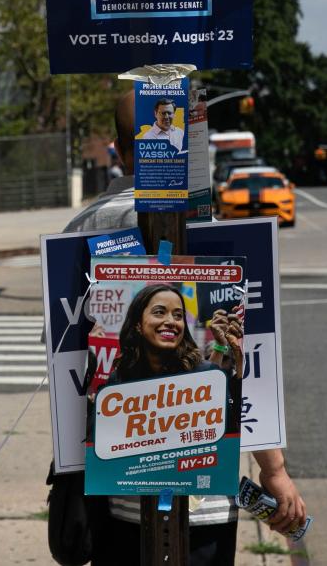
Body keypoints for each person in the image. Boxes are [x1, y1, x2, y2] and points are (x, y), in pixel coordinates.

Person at [66, 93, 307, 565]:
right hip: (208, 498)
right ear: (192, 147)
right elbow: (251, 371)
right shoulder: (214, 230)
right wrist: (273, 470)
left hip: (112, 492)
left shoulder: (85, 229)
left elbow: (67, 369)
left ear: (118, 148)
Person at [87, 283, 246, 565]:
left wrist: (237, 371)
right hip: (129, 519)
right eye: (159, 312)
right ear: (137, 323)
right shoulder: (117, 381)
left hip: (204, 521)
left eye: (177, 314)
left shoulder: (208, 374)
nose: (170, 321)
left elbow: (235, 431)